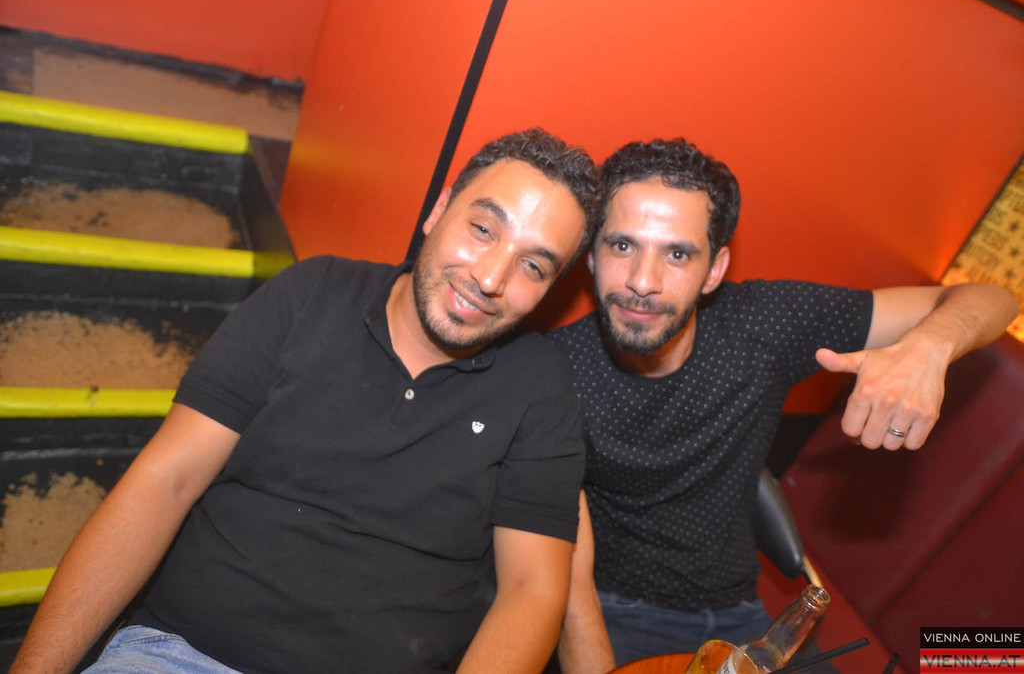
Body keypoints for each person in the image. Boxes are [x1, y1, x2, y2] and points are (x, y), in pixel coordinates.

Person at [11, 128, 604, 674]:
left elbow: (532, 591)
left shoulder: (540, 386)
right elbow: (165, 480)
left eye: (533, 265)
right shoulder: (311, 294)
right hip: (184, 656)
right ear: (439, 209)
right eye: (483, 229)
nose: (491, 278)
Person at [547, 138, 1020, 672]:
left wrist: (928, 349)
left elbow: (996, 299)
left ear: (714, 270)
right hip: (617, 612)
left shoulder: (765, 324)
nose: (642, 281)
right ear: (591, 254)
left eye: (677, 254)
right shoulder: (553, 376)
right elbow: (568, 578)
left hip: (743, 616)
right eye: (622, 246)